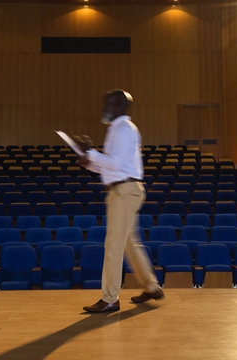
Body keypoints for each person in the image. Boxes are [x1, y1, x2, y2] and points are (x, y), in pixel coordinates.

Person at [75, 89, 164, 313]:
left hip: (125, 191)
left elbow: (116, 163)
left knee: (114, 244)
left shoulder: (124, 129)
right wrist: (91, 162)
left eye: (110, 103)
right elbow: (114, 165)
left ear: (121, 107)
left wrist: (92, 153)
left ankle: (110, 298)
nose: (105, 107)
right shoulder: (117, 129)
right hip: (122, 188)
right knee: (128, 243)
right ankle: (152, 287)